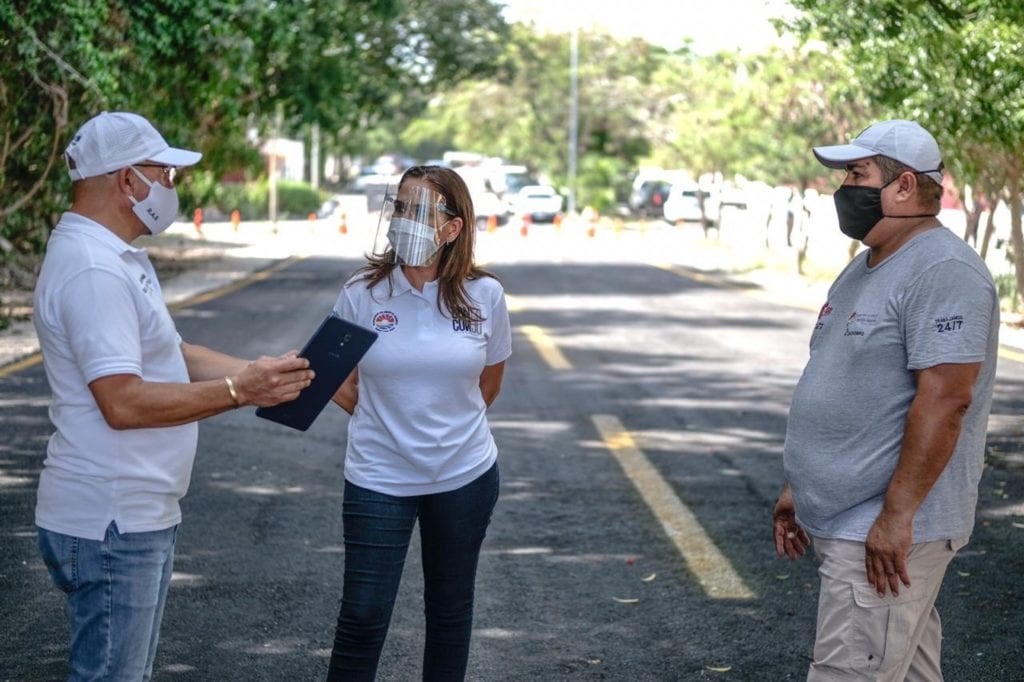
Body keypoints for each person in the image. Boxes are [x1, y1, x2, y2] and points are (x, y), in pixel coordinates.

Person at [33, 111, 314, 680]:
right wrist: (240, 390)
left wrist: (272, 376)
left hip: (132, 514)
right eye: (164, 173)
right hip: (112, 519)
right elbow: (124, 402)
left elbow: (174, 354)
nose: (171, 187)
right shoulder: (94, 269)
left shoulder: (115, 257)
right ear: (126, 180)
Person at [771, 119, 1000, 681]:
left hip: (885, 532)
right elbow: (841, 379)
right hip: (849, 520)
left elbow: (946, 400)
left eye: (857, 173)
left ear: (903, 188)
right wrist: (800, 486)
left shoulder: (944, 271)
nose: (844, 189)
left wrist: (897, 518)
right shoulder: (867, 263)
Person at [326, 165, 511, 680]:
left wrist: (443, 425)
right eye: (400, 208)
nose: (403, 220)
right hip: (378, 476)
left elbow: (489, 384)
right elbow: (331, 375)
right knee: (362, 614)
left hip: (464, 477)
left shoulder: (487, 297)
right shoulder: (362, 293)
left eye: (419, 211)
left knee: (450, 613)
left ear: (452, 228)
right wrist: (379, 417)